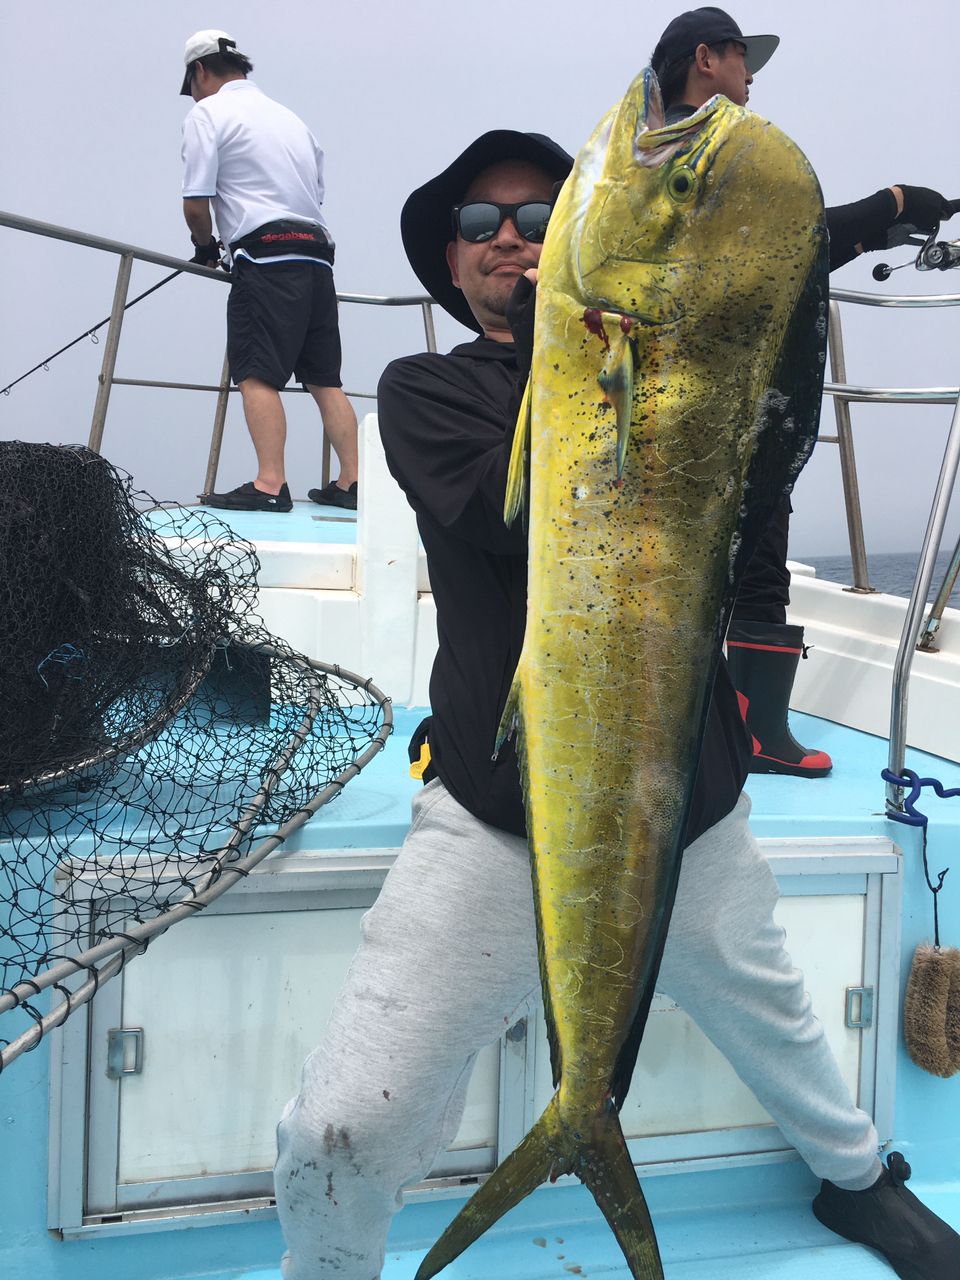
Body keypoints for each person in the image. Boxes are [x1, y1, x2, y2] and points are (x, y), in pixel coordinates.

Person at [273, 130, 960, 1280]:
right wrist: (611, 345)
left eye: (543, 218)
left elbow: (760, 308)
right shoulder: (426, 390)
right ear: (451, 263)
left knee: (781, 1021)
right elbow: (529, 508)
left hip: (683, 803)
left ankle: (856, 1181)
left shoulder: (681, 380)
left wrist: (839, 216)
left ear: (583, 244)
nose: (512, 241)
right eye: (483, 226)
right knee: (340, 1125)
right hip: (504, 814)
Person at [650, 7, 956, 779]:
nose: (752, 75)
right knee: (757, 551)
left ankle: (703, 722)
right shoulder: (710, 146)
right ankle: (755, 736)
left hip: (691, 394)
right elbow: (777, 250)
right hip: (734, 395)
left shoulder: (661, 151)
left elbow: (775, 251)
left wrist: (868, 230)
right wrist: (889, 204)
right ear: (705, 60)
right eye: (741, 58)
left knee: (710, 554)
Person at [179, 29, 359, 513]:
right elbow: (315, 193)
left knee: (256, 372)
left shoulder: (207, 113)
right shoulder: (290, 118)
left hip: (265, 256)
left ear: (200, 71)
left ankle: (269, 484)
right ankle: (352, 483)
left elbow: (197, 204)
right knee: (325, 377)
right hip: (317, 255)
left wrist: (204, 248)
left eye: (190, 83)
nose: (192, 93)